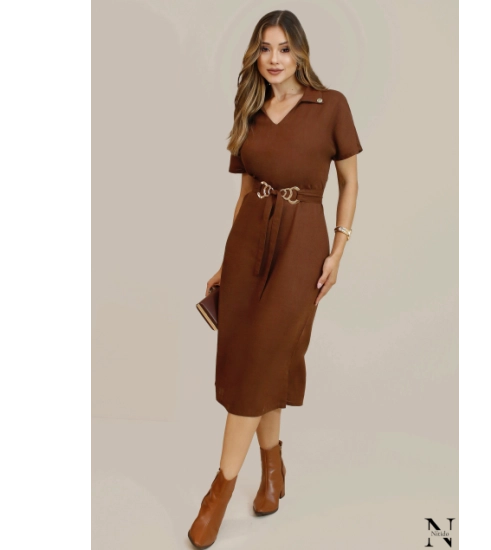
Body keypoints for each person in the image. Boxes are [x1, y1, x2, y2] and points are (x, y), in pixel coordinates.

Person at [188, 10, 362, 549]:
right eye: (265, 48)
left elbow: (350, 181)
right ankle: (272, 470)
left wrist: (338, 250)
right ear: (254, 54)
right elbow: (245, 192)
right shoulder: (250, 108)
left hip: (302, 244)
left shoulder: (330, 105)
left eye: (284, 48)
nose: (274, 58)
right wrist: (226, 260)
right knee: (256, 359)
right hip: (247, 244)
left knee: (263, 356)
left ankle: (219, 491)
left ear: (300, 51)